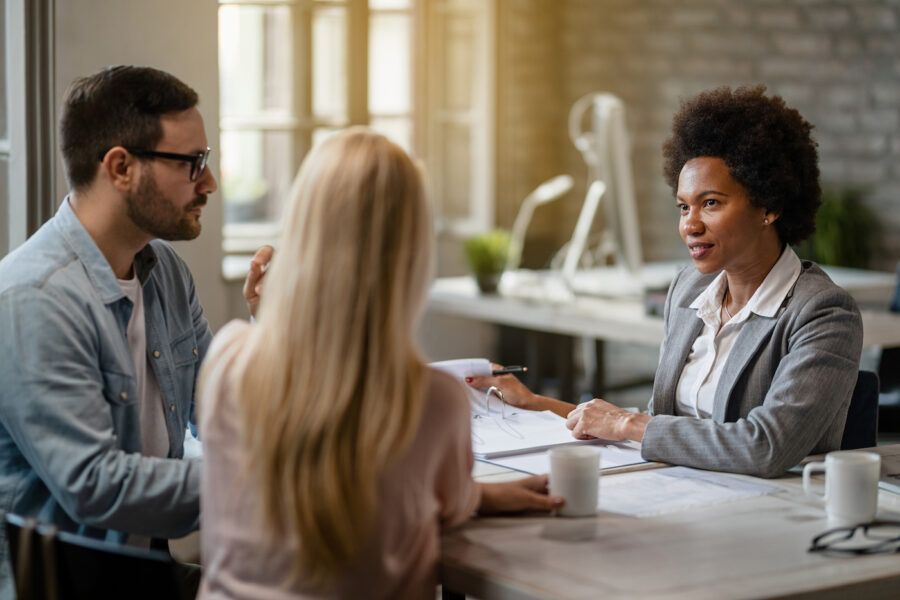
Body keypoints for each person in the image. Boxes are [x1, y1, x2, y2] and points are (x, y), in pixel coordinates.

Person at [198, 128, 562, 599]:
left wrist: (278, 317)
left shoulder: (227, 357)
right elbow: (446, 506)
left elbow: (297, 458)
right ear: (410, 254)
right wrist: (480, 497)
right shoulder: (433, 399)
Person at [469, 85, 863, 478]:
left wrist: (625, 423)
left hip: (769, 515)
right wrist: (537, 404)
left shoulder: (823, 313)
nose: (690, 225)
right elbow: (663, 426)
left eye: (710, 203)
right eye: (683, 207)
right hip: (682, 493)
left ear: (769, 206)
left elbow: (766, 446)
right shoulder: (689, 290)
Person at [0, 65, 266, 596]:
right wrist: (272, 482)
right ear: (121, 167)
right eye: (192, 163)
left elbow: (224, 414)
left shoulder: (163, 269)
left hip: (139, 574)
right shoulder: (32, 299)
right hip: (63, 586)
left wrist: (276, 324)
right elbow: (95, 486)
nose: (209, 182)